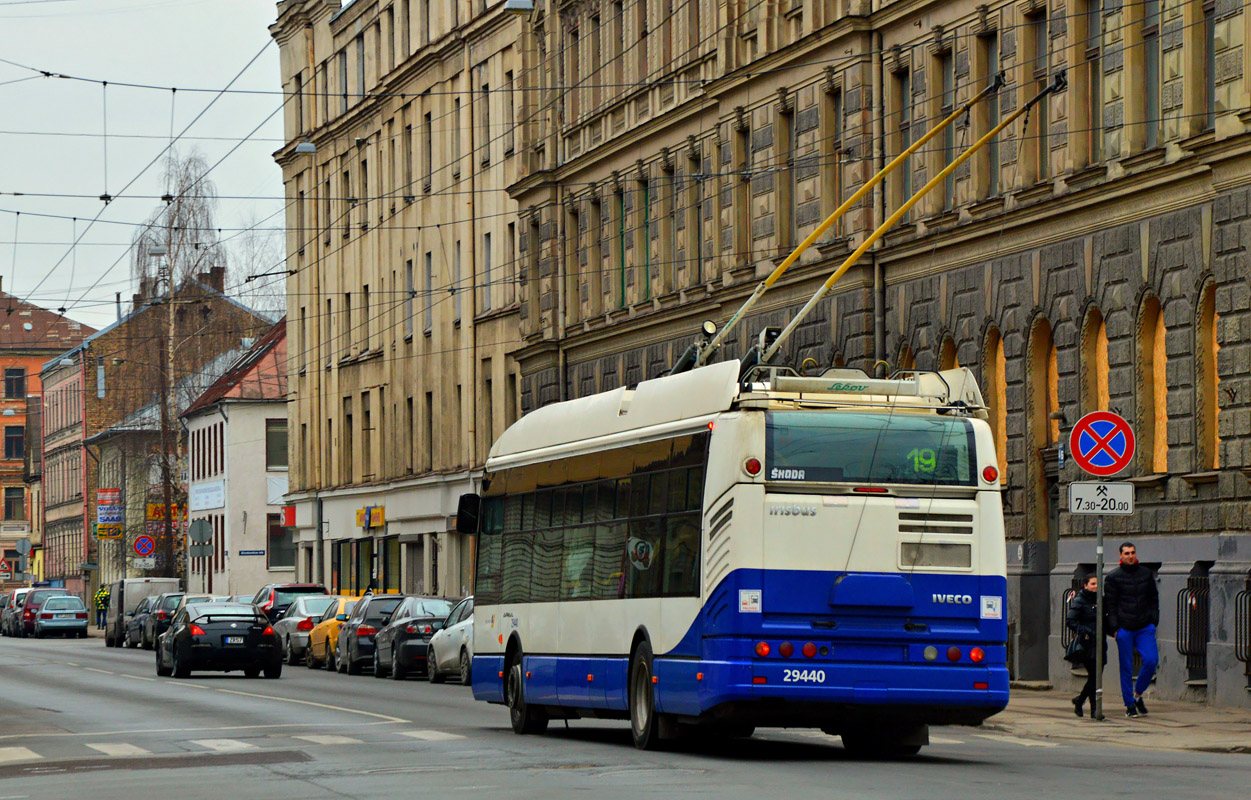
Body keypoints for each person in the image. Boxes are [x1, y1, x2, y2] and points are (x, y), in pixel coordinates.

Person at [1103, 542, 1159, 718]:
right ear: (1120, 555)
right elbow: (1110, 606)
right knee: (1126, 668)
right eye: (1126, 553)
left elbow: (1153, 598)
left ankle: (1137, 694)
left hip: (1144, 626)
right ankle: (1129, 705)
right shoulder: (1113, 577)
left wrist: (1153, 619)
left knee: (1151, 660)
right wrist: (1115, 628)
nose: (1130, 556)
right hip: (1124, 628)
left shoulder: (1145, 573)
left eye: (1133, 552)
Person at [1065, 574, 1107, 718]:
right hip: (1088, 643)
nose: (1096, 587)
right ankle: (1094, 709)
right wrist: (1085, 630)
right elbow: (1070, 620)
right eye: (1093, 584)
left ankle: (1080, 700)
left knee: (1096, 676)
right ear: (1086, 585)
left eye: (1097, 584)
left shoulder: (1100, 600)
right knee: (1095, 676)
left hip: (1100, 642)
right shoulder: (1080, 600)